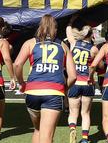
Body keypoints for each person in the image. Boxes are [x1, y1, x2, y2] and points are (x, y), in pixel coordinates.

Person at [14, 14, 77, 143]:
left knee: (38, 130)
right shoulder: (63, 46)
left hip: (32, 92)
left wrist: (21, 83)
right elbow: (73, 76)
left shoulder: (30, 43)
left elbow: (17, 64)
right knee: (47, 137)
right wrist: (63, 88)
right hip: (54, 92)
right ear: (55, 28)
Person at [66, 17, 99, 143]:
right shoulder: (93, 49)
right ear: (91, 35)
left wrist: (71, 21)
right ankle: (85, 138)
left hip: (74, 82)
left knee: (73, 112)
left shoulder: (74, 43)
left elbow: (68, 30)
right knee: (85, 113)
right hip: (87, 82)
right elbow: (98, 65)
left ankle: (72, 129)